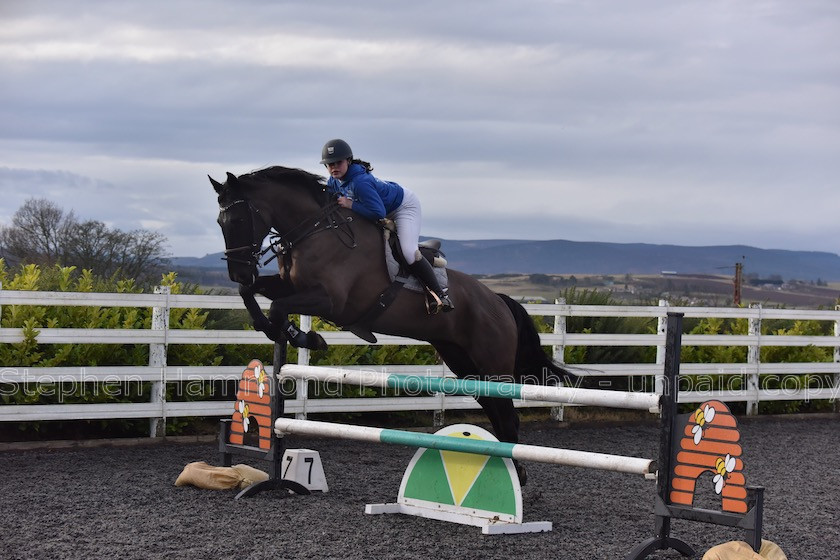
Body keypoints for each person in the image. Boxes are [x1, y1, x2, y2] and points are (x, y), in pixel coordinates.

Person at [320, 138, 454, 313]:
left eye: (338, 162)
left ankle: (440, 294)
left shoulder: (360, 182)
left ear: (348, 161)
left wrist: (350, 205)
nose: (333, 168)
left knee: (408, 252)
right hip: (381, 206)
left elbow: (378, 213)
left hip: (403, 207)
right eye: (329, 164)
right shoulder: (333, 181)